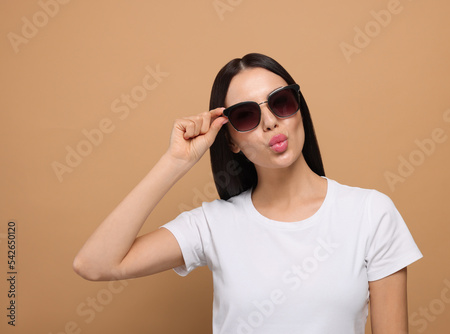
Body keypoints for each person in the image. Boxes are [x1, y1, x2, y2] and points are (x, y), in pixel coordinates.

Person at [73, 53, 423, 333]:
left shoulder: (370, 213)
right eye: (246, 116)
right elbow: (95, 264)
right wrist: (175, 162)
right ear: (232, 142)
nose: (271, 122)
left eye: (281, 102)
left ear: (299, 108)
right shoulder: (214, 224)